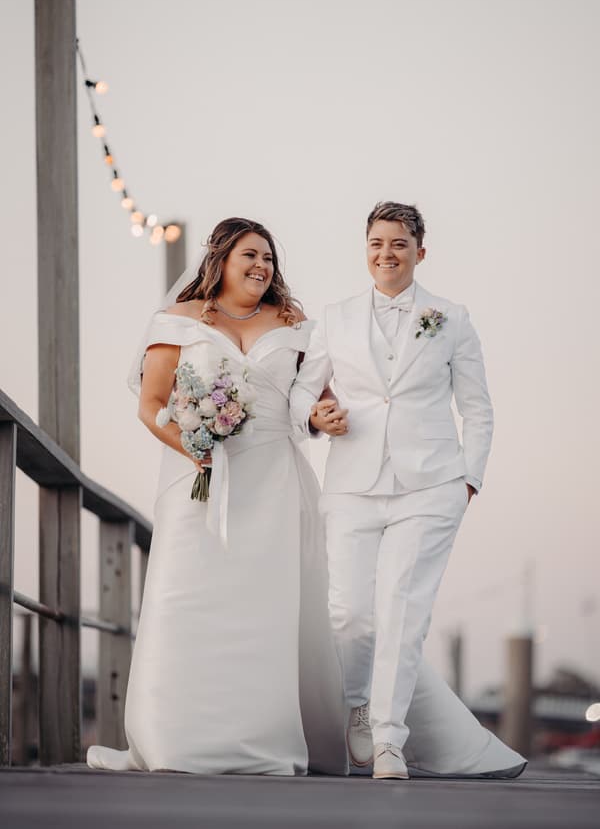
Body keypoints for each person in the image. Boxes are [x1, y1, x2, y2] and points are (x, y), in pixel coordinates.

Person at [87, 215, 525, 779]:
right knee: (187, 601)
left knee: (281, 611)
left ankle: (281, 734)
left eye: (268, 258)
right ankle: (175, 736)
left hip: (276, 480)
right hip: (197, 484)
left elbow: (312, 404)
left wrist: (323, 419)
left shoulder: (295, 323)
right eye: (249, 256)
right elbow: (150, 405)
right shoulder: (178, 321)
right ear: (220, 259)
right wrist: (195, 446)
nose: (261, 267)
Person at [289, 201, 525, 780]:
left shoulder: (451, 317)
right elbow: (299, 393)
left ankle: (390, 741)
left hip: (431, 485)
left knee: (403, 610)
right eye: (376, 243)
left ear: (421, 251)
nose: (386, 253)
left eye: (398, 243)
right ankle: (359, 710)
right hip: (351, 483)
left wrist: (469, 478)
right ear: (364, 250)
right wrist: (318, 417)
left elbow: (477, 406)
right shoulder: (335, 317)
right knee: (348, 612)